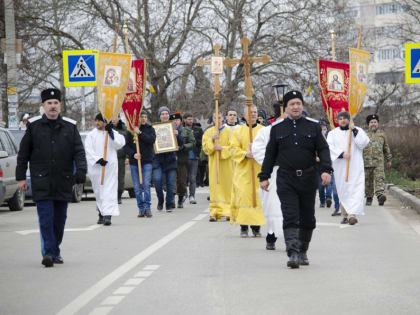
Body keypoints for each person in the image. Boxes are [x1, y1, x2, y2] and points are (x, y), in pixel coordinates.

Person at [259, 90, 332, 269]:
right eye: (292, 104)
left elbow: (323, 150)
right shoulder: (277, 129)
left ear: (302, 106)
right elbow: (270, 155)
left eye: (298, 103)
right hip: (286, 179)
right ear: (286, 107)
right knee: (290, 215)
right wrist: (264, 176)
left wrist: (326, 170)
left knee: (308, 219)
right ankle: (292, 253)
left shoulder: (313, 127)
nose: (296, 107)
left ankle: (303, 251)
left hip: (308, 178)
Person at [16, 88, 87, 267]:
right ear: (43, 106)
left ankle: (54, 250)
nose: (53, 106)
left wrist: (81, 170)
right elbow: (23, 154)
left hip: (63, 180)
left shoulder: (70, 127)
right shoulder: (34, 127)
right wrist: (21, 178)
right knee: (46, 218)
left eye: (56, 103)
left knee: (59, 221)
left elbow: (79, 151)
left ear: (60, 105)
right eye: (49, 103)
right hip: (42, 180)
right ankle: (48, 253)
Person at [327, 111, 370, 225]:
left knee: (355, 189)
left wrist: (354, 130)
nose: (342, 120)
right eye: (340, 118)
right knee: (344, 190)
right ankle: (345, 215)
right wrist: (341, 154)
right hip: (341, 167)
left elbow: (364, 143)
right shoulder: (332, 133)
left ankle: (352, 214)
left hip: (355, 166)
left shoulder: (358, 130)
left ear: (349, 119)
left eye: (345, 118)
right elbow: (329, 147)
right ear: (337, 120)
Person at [252, 102, 283, 250]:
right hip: (273, 174)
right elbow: (258, 151)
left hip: (293, 174)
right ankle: (272, 235)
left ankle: (292, 239)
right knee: (273, 206)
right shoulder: (266, 132)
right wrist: (273, 161)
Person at [230, 104, 265, 237]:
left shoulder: (263, 130)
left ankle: (256, 227)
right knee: (244, 197)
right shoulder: (238, 132)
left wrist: (257, 152)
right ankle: (244, 227)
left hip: (259, 170)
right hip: (243, 171)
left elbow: (269, 148)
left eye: (255, 112)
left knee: (258, 198)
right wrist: (245, 153)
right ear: (244, 115)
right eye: (250, 113)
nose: (254, 114)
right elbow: (233, 149)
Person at [85, 113, 126, 226]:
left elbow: (120, 143)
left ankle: (108, 215)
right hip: (97, 168)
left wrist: (111, 133)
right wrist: (98, 159)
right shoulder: (91, 135)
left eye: (100, 121)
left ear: (105, 122)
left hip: (110, 167)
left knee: (109, 190)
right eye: (96, 120)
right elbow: (88, 150)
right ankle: (101, 212)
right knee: (99, 191)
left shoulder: (112, 133)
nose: (97, 123)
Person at [124, 111, 156, 217]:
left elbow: (151, 140)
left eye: (145, 117)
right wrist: (133, 154)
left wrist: (140, 133)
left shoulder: (150, 129)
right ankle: (141, 208)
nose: (143, 119)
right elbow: (126, 146)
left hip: (147, 161)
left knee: (146, 185)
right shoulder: (130, 130)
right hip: (134, 163)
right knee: (137, 187)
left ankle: (147, 207)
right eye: (141, 117)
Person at [203, 111, 233, 221]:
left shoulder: (229, 131)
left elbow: (233, 147)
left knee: (227, 187)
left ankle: (228, 211)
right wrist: (211, 140)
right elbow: (205, 148)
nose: (217, 119)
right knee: (215, 188)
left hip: (226, 164)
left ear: (223, 118)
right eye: (215, 117)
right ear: (213, 119)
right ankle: (215, 212)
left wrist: (222, 149)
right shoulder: (208, 132)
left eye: (219, 117)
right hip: (214, 164)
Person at [153, 106, 183, 212]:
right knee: (157, 181)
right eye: (162, 114)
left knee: (170, 184)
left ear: (169, 115)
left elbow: (181, 144)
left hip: (170, 160)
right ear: (159, 116)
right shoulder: (154, 128)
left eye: (166, 113)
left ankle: (169, 203)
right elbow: (151, 142)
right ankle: (160, 200)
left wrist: (177, 135)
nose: (165, 115)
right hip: (158, 160)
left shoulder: (174, 127)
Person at [363, 114, 392, 206]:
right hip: (366, 162)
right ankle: (369, 197)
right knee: (368, 181)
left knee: (379, 179)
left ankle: (380, 196)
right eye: (371, 122)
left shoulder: (382, 135)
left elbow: (386, 148)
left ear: (378, 123)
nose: (373, 124)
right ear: (368, 124)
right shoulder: (363, 134)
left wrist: (389, 160)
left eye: (375, 122)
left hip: (378, 162)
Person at [317, 122, 340, 216]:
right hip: (318, 166)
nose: (323, 131)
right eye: (321, 129)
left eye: (324, 129)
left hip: (330, 165)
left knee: (331, 185)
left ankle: (329, 199)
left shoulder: (330, 138)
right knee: (321, 186)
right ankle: (322, 201)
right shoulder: (316, 138)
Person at [173, 112, 195, 208]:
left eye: (177, 120)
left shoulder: (187, 131)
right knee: (171, 181)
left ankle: (181, 198)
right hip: (170, 160)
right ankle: (171, 199)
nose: (175, 122)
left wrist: (183, 147)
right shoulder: (166, 130)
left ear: (181, 121)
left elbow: (192, 143)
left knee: (182, 182)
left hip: (182, 159)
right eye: (173, 120)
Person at [184, 113, 203, 204]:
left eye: (191, 119)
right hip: (183, 157)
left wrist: (193, 138)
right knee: (183, 178)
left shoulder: (198, 130)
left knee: (192, 178)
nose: (190, 121)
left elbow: (201, 142)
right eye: (188, 119)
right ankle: (184, 194)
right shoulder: (181, 130)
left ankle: (192, 196)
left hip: (194, 157)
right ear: (184, 120)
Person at [112, 115, 128, 204]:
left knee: (120, 178)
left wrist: (127, 157)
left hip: (121, 157)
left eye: (115, 118)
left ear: (118, 118)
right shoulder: (107, 128)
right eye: (112, 118)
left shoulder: (123, 129)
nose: (113, 120)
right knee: (111, 178)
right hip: (110, 158)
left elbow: (127, 144)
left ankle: (118, 196)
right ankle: (111, 196)